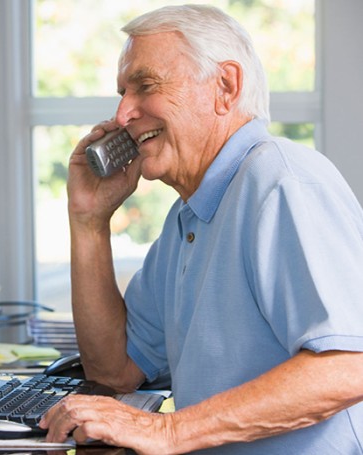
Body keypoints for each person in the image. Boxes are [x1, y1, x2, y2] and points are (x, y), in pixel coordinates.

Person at [38, 4, 363, 454]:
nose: (122, 114)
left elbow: (349, 365)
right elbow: (115, 371)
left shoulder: (281, 181)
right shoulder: (188, 216)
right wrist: (89, 222)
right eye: (121, 93)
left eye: (145, 86)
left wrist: (167, 430)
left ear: (225, 87)